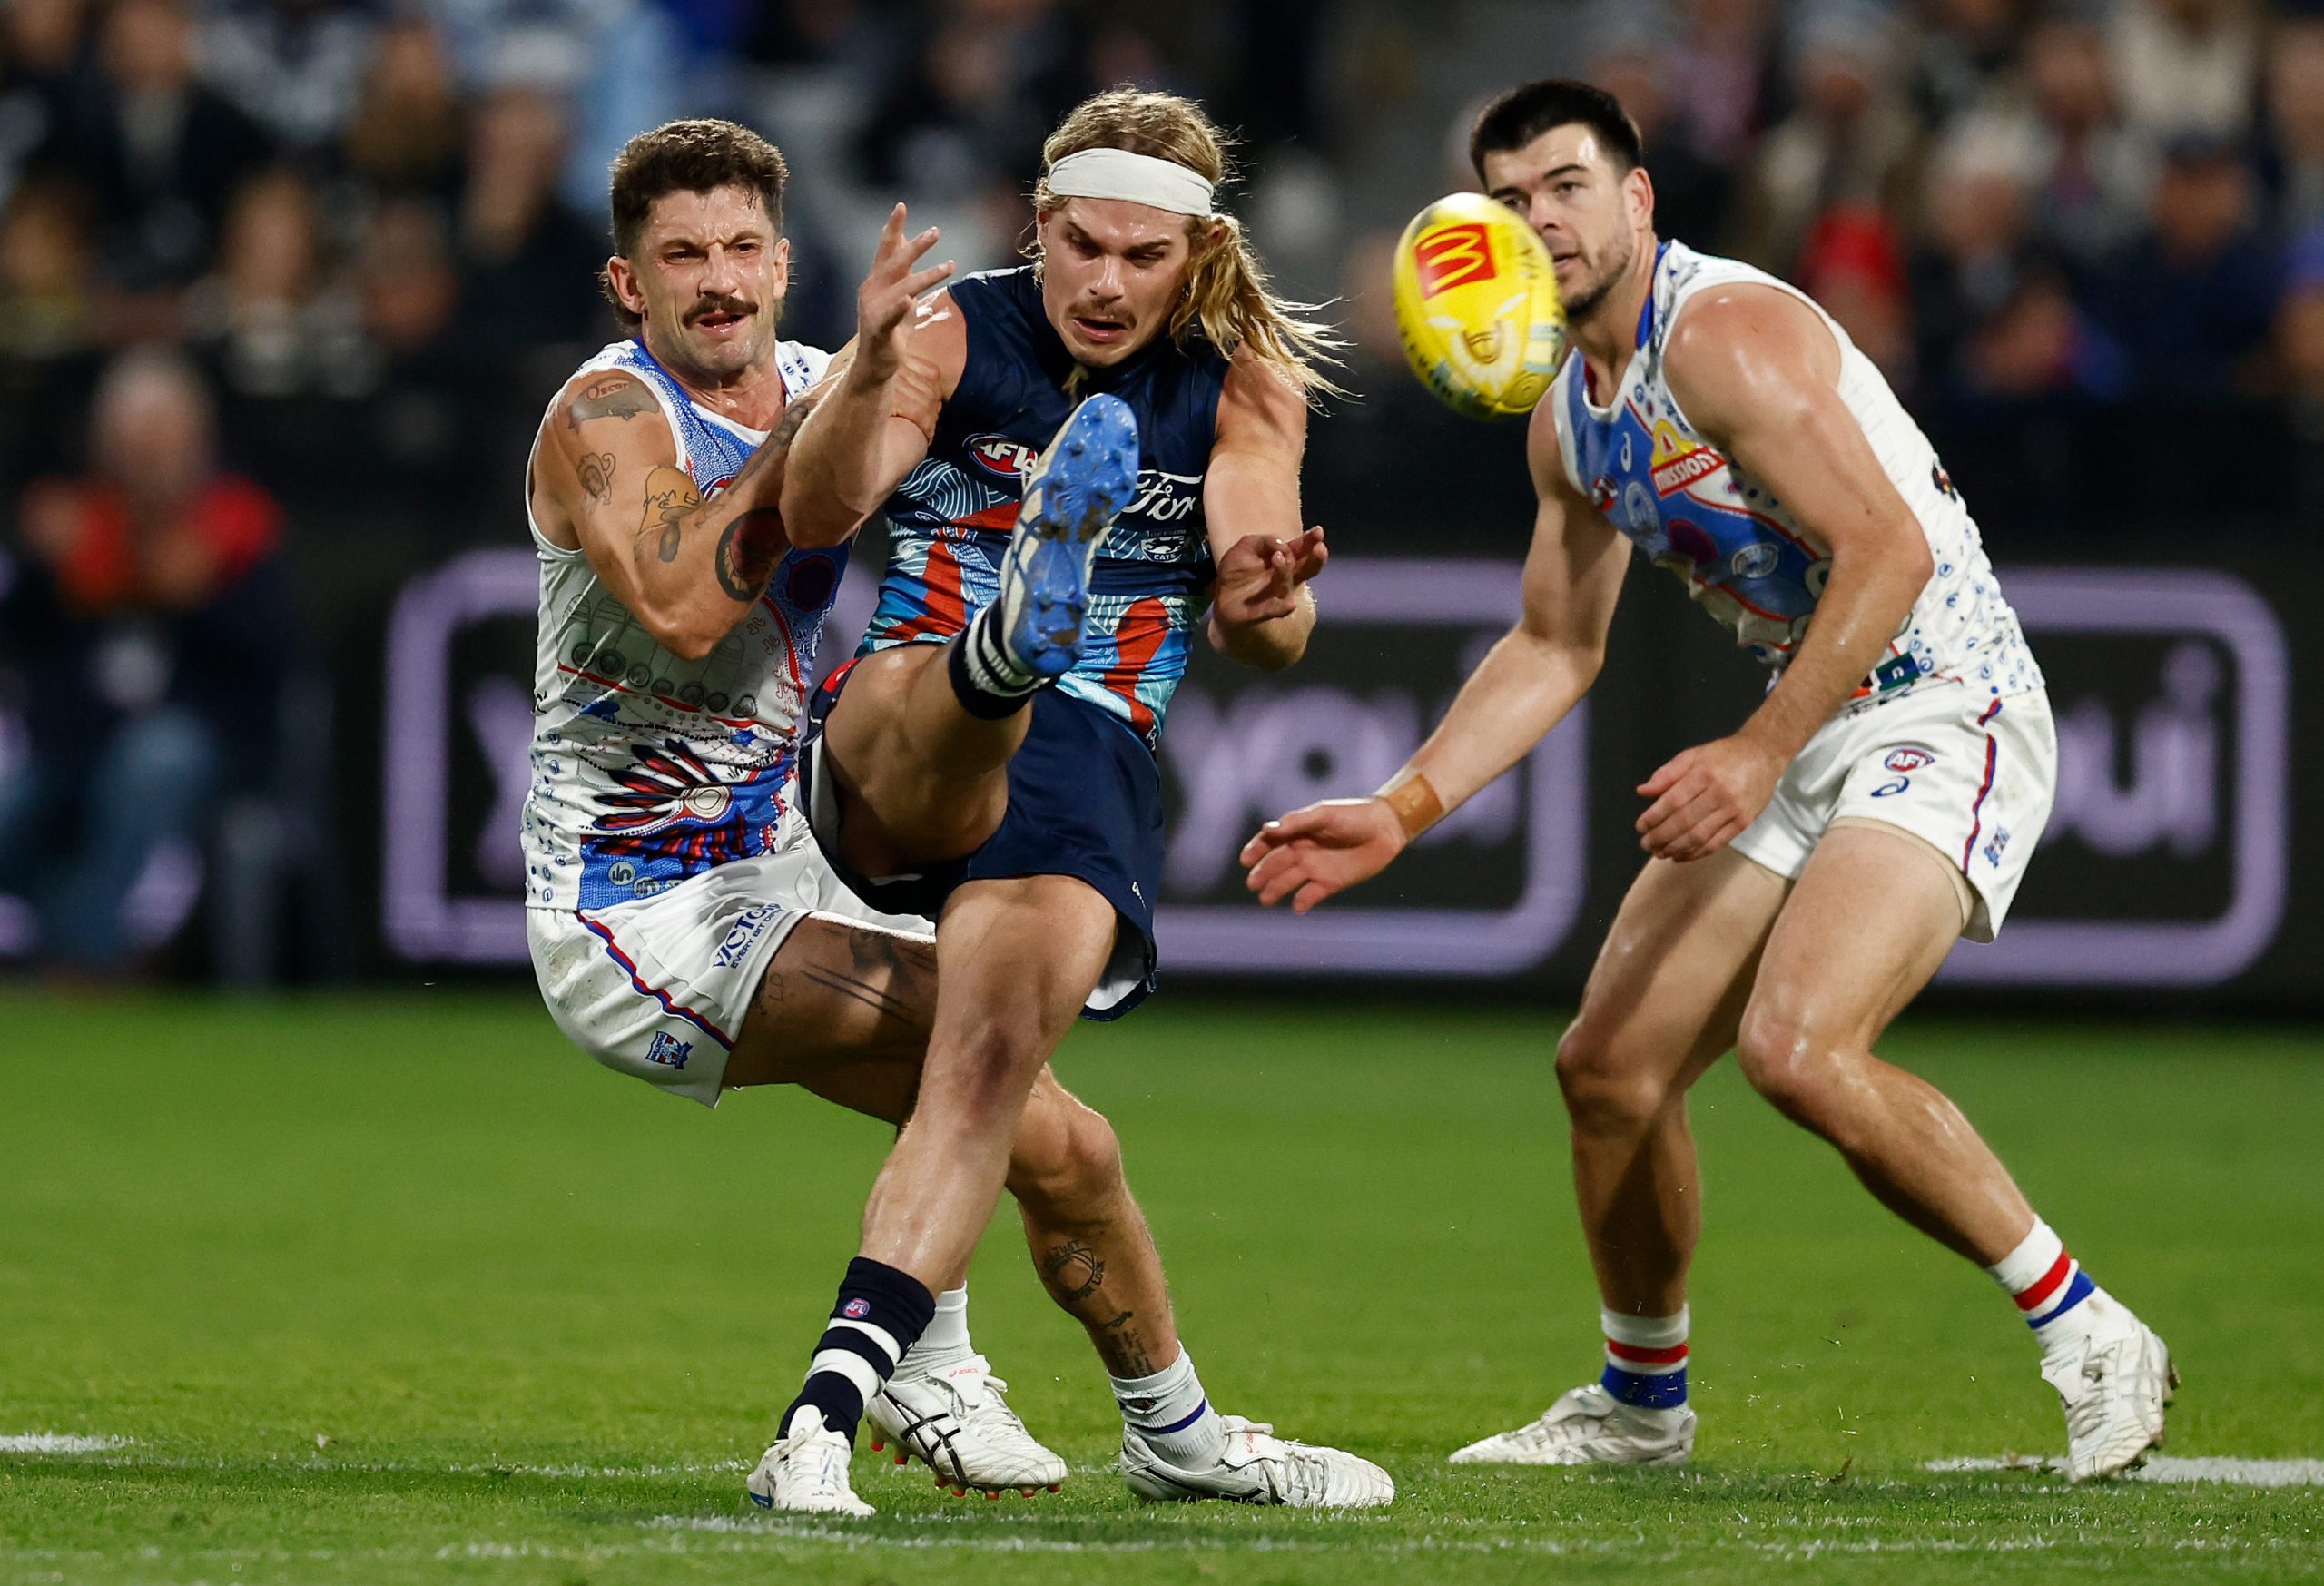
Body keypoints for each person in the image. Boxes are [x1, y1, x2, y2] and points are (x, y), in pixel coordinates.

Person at [1241, 79, 2174, 1483]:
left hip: (1945, 697)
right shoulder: (1568, 417)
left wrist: (1756, 749)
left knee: (1801, 1048)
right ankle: (1642, 1406)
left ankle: (2092, 1330)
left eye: (1567, 186)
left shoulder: (1724, 331)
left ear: (1637, 197)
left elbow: (1890, 549)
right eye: (1511, 200)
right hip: (1814, 712)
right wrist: (1402, 805)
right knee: (1609, 1068)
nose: (1543, 220)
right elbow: (1555, 643)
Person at [521, 116, 1207, 1512]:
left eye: (741, 248)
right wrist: (835, 407)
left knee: (1068, 1140)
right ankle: (930, 1369)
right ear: (628, 283)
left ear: (784, 261)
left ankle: (1175, 1430)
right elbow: (687, 604)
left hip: (789, 840)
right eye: (682, 256)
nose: (719, 280)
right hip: (639, 905)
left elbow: (967, 446)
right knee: (981, 1051)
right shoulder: (605, 418)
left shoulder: (828, 374)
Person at [763, 87, 1393, 1513]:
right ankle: (1006, 642)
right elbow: (819, 510)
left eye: (1143, 256)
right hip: (896, 726)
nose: (1106, 282)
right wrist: (863, 376)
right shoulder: (946, 330)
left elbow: (1266, 619)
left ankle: (1112, 1428)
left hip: (1087, 753)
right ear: (1038, 223)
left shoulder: (1242, 381)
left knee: (1010, 1101)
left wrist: (1265, 596)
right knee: (953, 693)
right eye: (1082, 245)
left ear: (1201, 252)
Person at [0, 345, 291, 973]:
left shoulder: (237, 525)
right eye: (131, 437)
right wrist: (41, 568)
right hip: (75, 748)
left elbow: (273, 659)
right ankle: (79, 936)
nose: (146, 454)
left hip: (210, 750)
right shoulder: (77, 524)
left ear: (196, 438)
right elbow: (23, 638)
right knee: (10, 803)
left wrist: (197, 596)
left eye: (160, 434)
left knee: (156, 758)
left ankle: (85, 959)